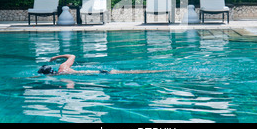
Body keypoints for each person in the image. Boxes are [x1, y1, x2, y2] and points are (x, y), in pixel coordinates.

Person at [38, 54, 167, 75]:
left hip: (100, 74)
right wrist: (56, 57)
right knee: (132, 72)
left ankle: (161, 71)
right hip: (99, 72)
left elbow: (71, 87)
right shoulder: (63, 67)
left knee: (132, 73)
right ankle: (160, 71)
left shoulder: (61, 74)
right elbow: (72, 56)